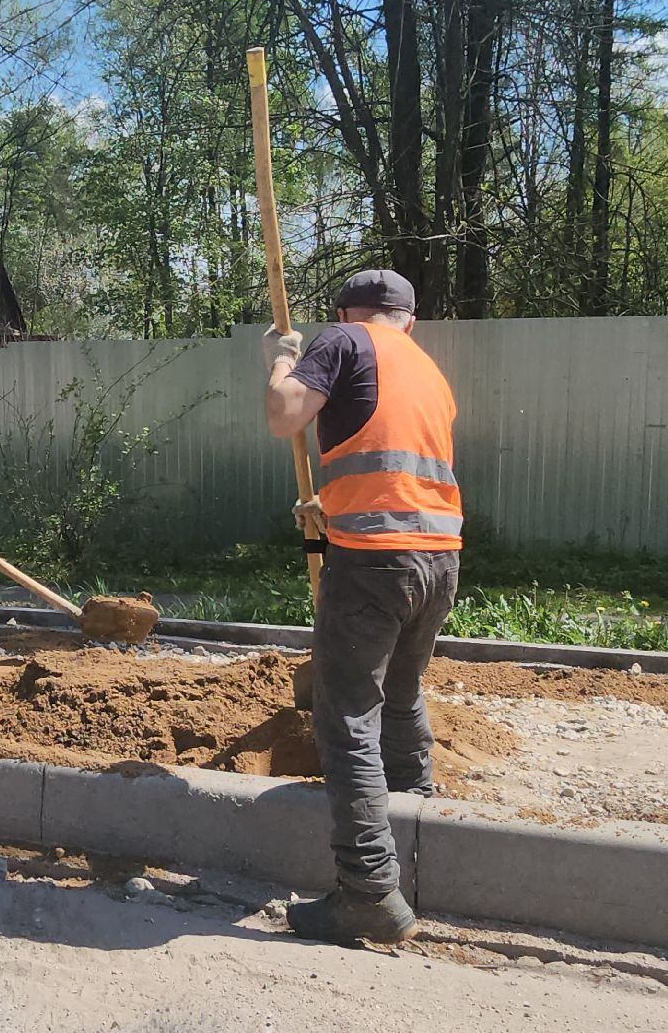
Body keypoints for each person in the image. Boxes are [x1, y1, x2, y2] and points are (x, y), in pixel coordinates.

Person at [261, 269, 462, 945]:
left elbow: (284, 414)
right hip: (437, 558)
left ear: (350, 310)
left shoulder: (343, 339)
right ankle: (416, 809)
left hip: (374, 563)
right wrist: (332, 505)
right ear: (408, 318)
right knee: (401, 692)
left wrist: (284, 358)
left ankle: (368, 890)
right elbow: (393, 464)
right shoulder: (426, 368)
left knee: (346, 716)